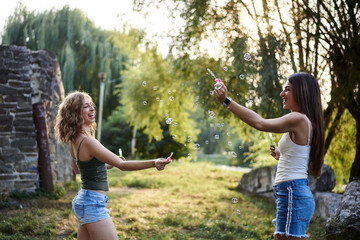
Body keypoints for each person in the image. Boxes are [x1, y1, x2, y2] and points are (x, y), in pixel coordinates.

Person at [214, 72, 324, 240]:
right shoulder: (306, 121)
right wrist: (283, 156)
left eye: (287, 89)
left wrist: (226, 101)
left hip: (292, 193)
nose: (282, 94)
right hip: (292, 193)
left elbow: (260, 123)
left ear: (302, 92)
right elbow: (308, 167)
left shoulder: (298, 118)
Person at [55, 91, 171, 240]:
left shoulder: (73, 139)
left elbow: (79, 170)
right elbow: (122, 165)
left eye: (92, 105)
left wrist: (107, 165)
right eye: (86, 106)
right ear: (76, 112)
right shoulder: (89, 142)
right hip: (92, 204)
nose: (92, 109)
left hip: (83, 201)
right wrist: (154, 163)